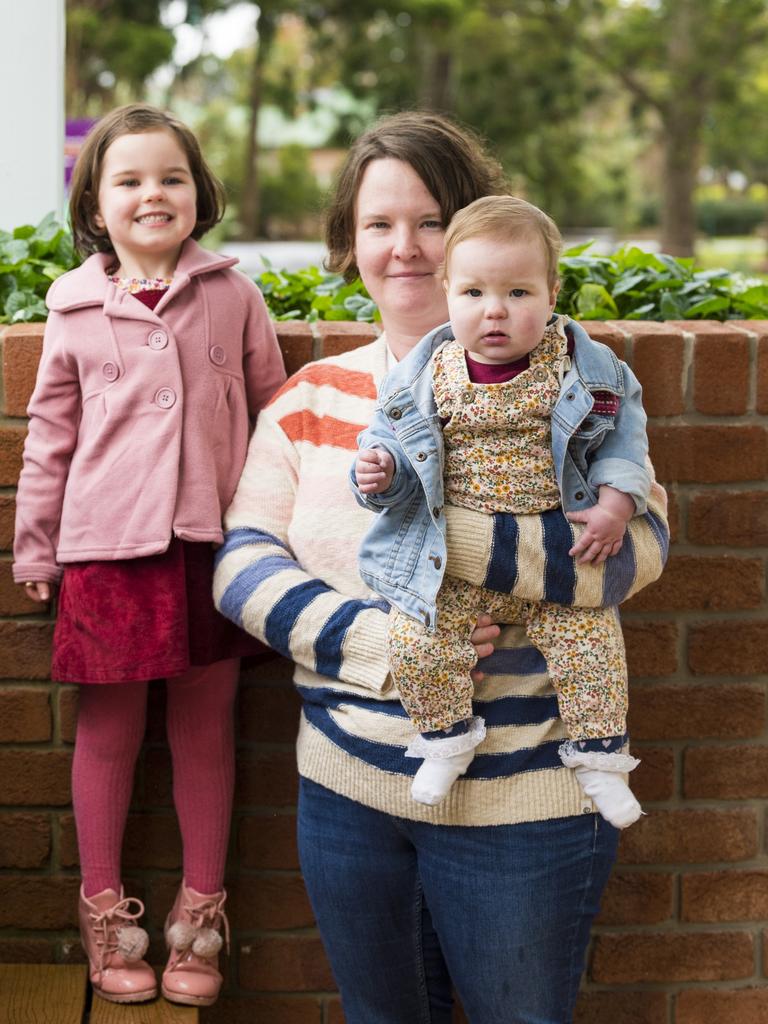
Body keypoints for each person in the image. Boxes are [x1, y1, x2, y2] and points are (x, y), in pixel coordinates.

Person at [214, 112, 669, 1024]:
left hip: (524, 808)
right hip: (348, 796)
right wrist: (388, 641)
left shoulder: (575, 387)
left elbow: (635, 556)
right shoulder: (311, 402)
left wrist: (456, 551)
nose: (406, 249)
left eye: (429, 220)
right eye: (380, 225)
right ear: (350, 242)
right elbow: (242, 566)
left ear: (474, 228)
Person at [12, 104, 286, 1007]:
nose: (151, 194)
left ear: (199, 193)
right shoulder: (76, 309)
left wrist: (284, 533)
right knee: (110, 730)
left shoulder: (234, 295)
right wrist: (37, 547)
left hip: (211, 549)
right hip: (105, 555)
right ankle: (104, 912)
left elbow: (276, 416)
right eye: (127, 180)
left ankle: (198, 920)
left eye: (169, 176)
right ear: (95, 203)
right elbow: (51, 437)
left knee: (205, 729)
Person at [353, 195, 650, 822]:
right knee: (417, 637)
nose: (495, 311)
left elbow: (625, 442)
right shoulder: (424, 376)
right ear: (447, 290)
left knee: (594, 645)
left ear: (551, 292)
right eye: (473, 293)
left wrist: (617, 504)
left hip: (561, 547)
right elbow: (395, 457)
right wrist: (378, 475)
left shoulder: (585, 369)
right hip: (450, 563)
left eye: (518, 293)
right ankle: (445, 736)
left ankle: (599, 756)